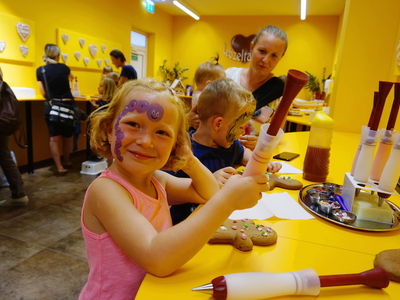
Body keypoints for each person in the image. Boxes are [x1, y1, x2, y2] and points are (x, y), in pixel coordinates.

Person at [79, 78, 267, 299]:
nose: (146, 141)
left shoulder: (156, 180)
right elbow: (157, 258)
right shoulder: (107, 191)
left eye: (161, 133)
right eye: (133, 125)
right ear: (109, 129)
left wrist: (188, 159)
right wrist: (227, 201)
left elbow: (206, 193)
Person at [170, 78, 281, 224]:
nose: (243, 131)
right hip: (190, 226)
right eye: (240, 125)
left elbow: (245, 154)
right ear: (219, 123)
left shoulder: (230, 145)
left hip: (223, 219)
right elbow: (167, 191)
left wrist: (262, 163)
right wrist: (207, 182)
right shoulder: (183, 152)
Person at [226, 25, 288, 149]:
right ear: (251, 47)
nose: (265, 60)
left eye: (274, 56)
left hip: (251, 160)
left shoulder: (281, 93)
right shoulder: (227, 77)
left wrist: (260, 142)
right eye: (262, 51)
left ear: (280, 58)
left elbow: (274, 136)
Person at [36, 44, 75, 175]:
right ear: (58, 55)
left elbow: (43, 92)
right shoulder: (64, 68)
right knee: (68, 136)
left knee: (54, 138)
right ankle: (68, 161)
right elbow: (71, 81)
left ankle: (59, 167)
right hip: (67, 105)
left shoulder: (40, 70)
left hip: (52, 106)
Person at [0, 66, 29, 207]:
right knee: (5, 157)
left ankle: (19, 193)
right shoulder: (3, 85)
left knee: (4, 157)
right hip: (2, 125)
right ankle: (19, 192)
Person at [187, 61, 226, 129]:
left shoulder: (197, 94)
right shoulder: (203, 97)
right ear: (209, 85)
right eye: (222, 84)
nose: (224, 87)